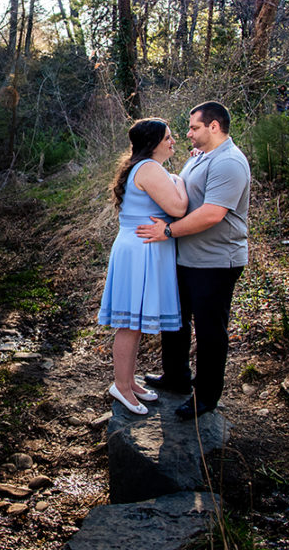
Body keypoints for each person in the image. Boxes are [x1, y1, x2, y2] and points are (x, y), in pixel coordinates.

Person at [136, 101, 250, 420]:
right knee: (176, 320)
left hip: (216, 261)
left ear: (214, 127)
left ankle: (206, 397)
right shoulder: (202, 157)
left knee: (211, 332)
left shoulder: (230, 163)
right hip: (188, 258)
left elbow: (213, 213)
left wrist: (169, 231)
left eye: (195, 128)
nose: (188, 134)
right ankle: (176, 377)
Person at [99, 118, 188, 415]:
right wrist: (181, 182)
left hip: (140, 250)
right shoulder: (150, 169)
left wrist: (174, 180)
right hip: (139, 253)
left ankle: (128, 381)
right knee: (130, 324)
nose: (173, 141)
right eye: (168, 138)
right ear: (153, 143)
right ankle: (121, 387)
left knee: (134, 325)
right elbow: (178, 208)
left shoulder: (144, 167)